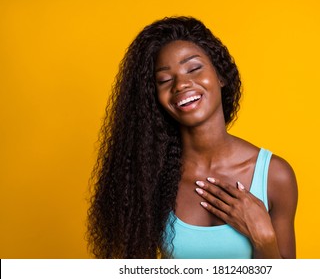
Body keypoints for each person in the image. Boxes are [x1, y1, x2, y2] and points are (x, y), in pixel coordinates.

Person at [87, 16, 298, 259]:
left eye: (194, 68)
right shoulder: (152, 176)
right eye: (165, 80)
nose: (181, 84)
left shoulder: (275, 175)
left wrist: (264, 238)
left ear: (220, 75)